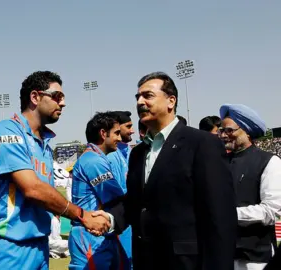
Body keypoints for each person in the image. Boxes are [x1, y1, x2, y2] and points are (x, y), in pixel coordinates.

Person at [101, 71, 237, 270]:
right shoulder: (139, 152)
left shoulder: (202, 144)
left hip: (187, 263)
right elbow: (136, 202)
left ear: (171, 101)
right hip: (146, 261)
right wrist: (110, 218)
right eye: (137, 97)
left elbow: (220, 217)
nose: (140, 102)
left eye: (148, 96)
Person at [0, 71, 111, 270]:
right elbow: (33, 189)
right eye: (57, 96)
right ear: (35, 97)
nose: (63, 103)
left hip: (40, 245)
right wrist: (82, 215)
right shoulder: (6, 131)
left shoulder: (45, 145)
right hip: (8, 245)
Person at [219, 104, 281, 270]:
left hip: (254, 258)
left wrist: (229, 214)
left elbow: (272, 211)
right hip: (222, 254)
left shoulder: (269, 162)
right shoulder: (218, 163)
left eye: (229, 130)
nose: (224, 135)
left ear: (247, 131)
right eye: (221, 130)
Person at [69, 111, 128, 270]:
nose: (120, 138)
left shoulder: (97, 158)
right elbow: (117, 200)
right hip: (90, 234)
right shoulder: (93, 161)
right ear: (103, 133)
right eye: (116, 133)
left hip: (100, 233)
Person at [107, 111, 135, 269]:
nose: (132, 130)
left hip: (130, 221)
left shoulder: (129, 152)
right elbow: (116, 195)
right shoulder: (112, 156)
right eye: (128, 126)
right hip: (120, 220)